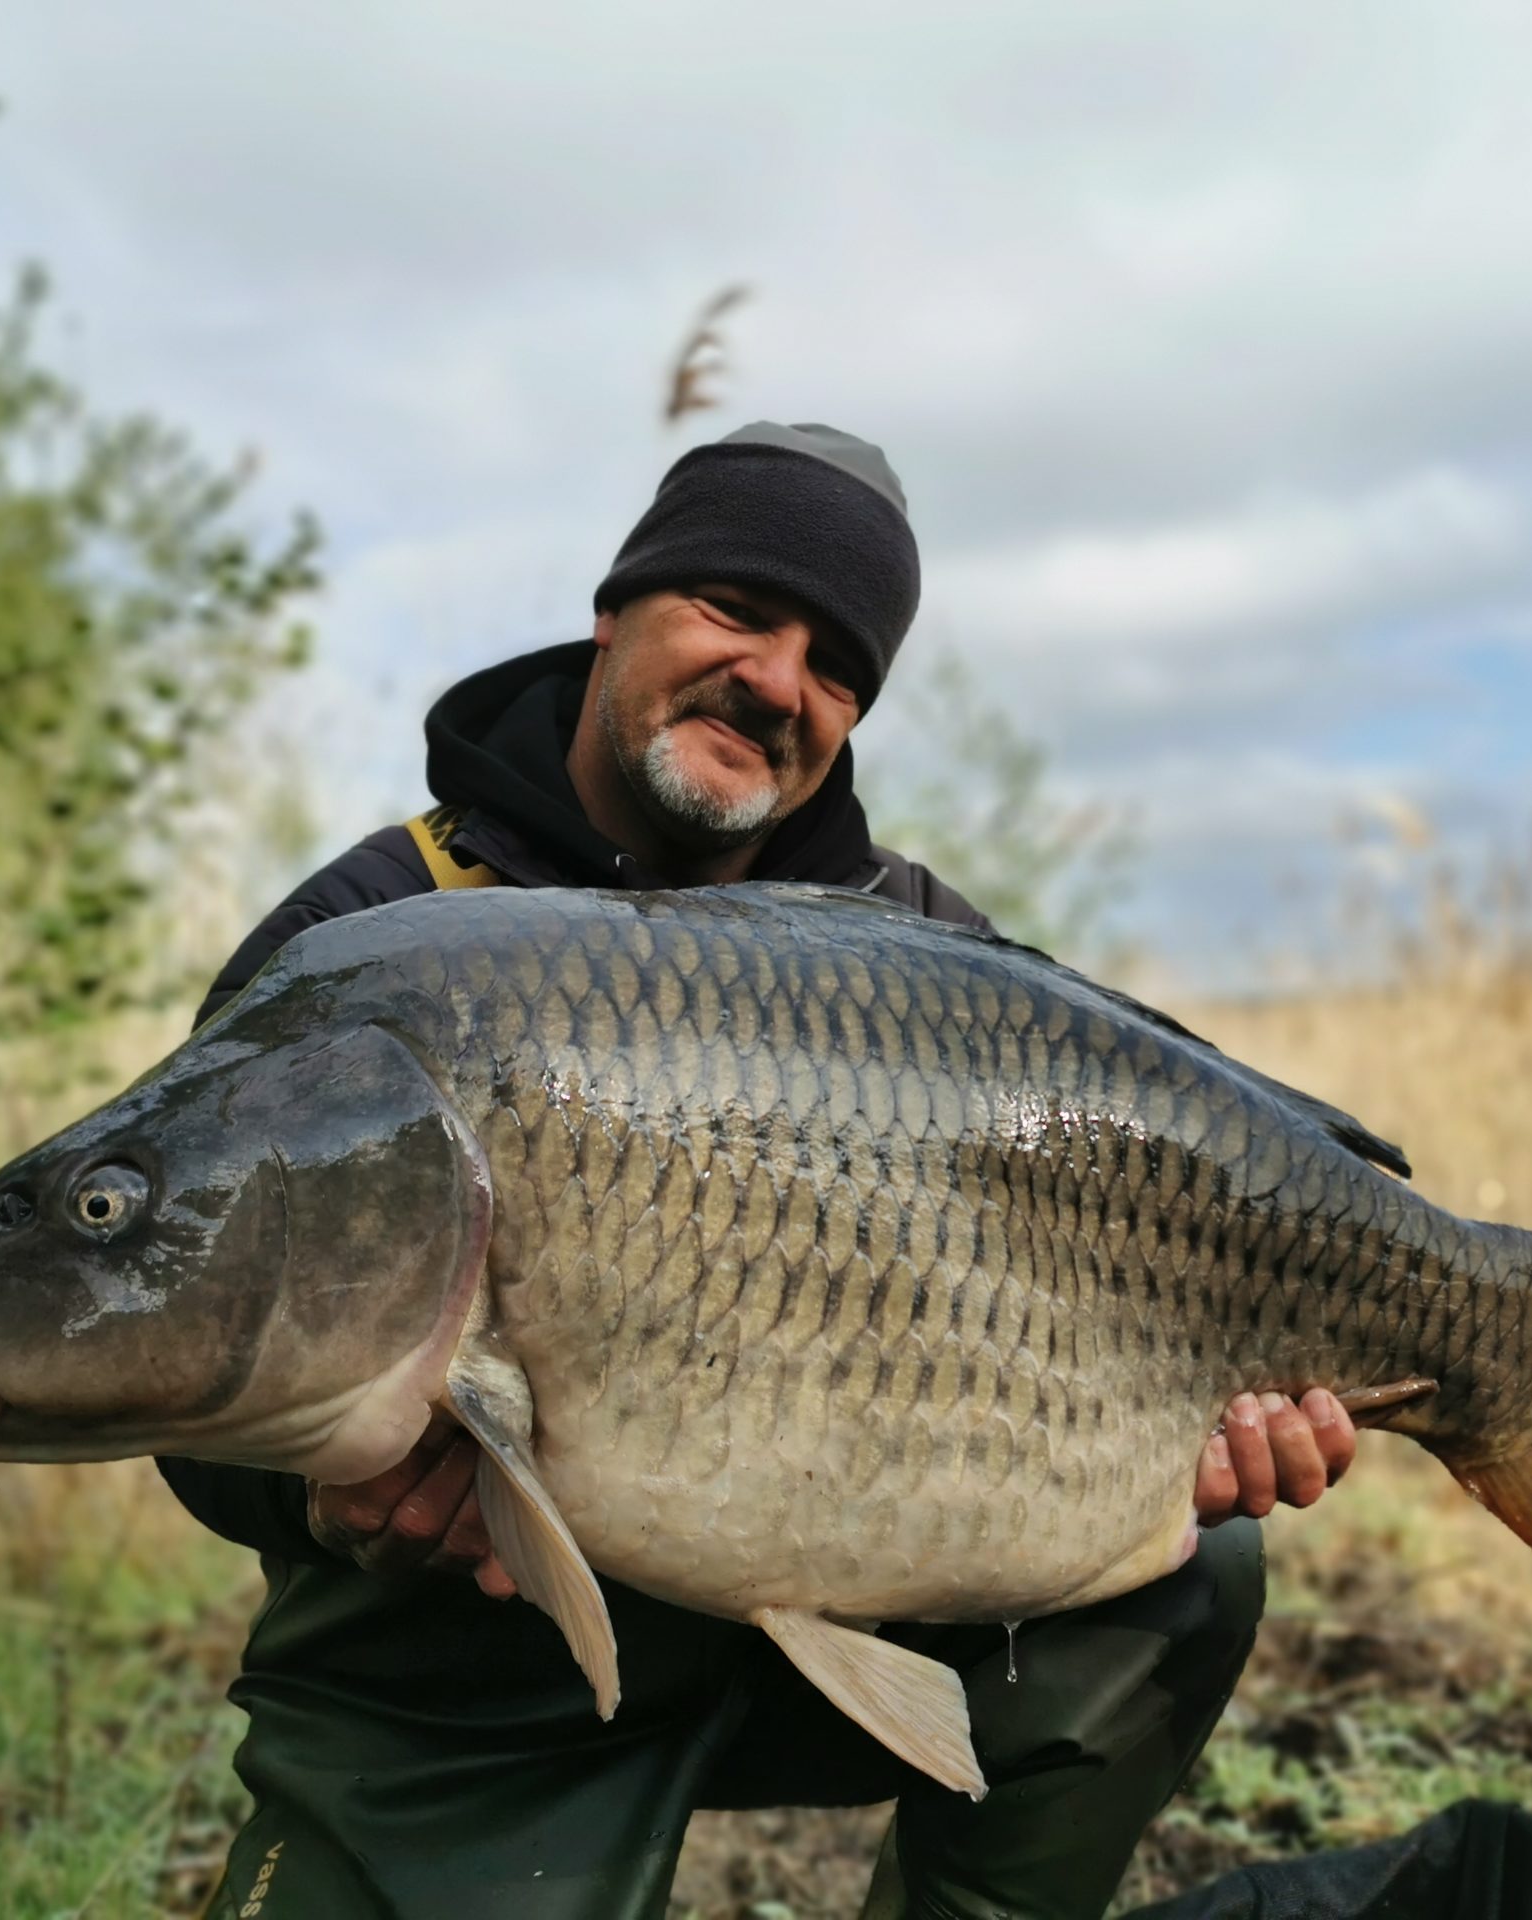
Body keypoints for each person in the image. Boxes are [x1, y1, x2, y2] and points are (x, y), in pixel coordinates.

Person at [177, 422, 1362, 1920]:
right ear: (616, 611)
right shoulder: (366, 944)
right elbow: (176, 1334)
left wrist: (1199, 1432)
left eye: (836, 665)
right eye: (736, 609)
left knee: (1198, 1565)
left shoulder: (923, 952)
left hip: (865, 1592)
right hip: (469, 1657)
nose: (779, 680)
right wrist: (321, 1503)